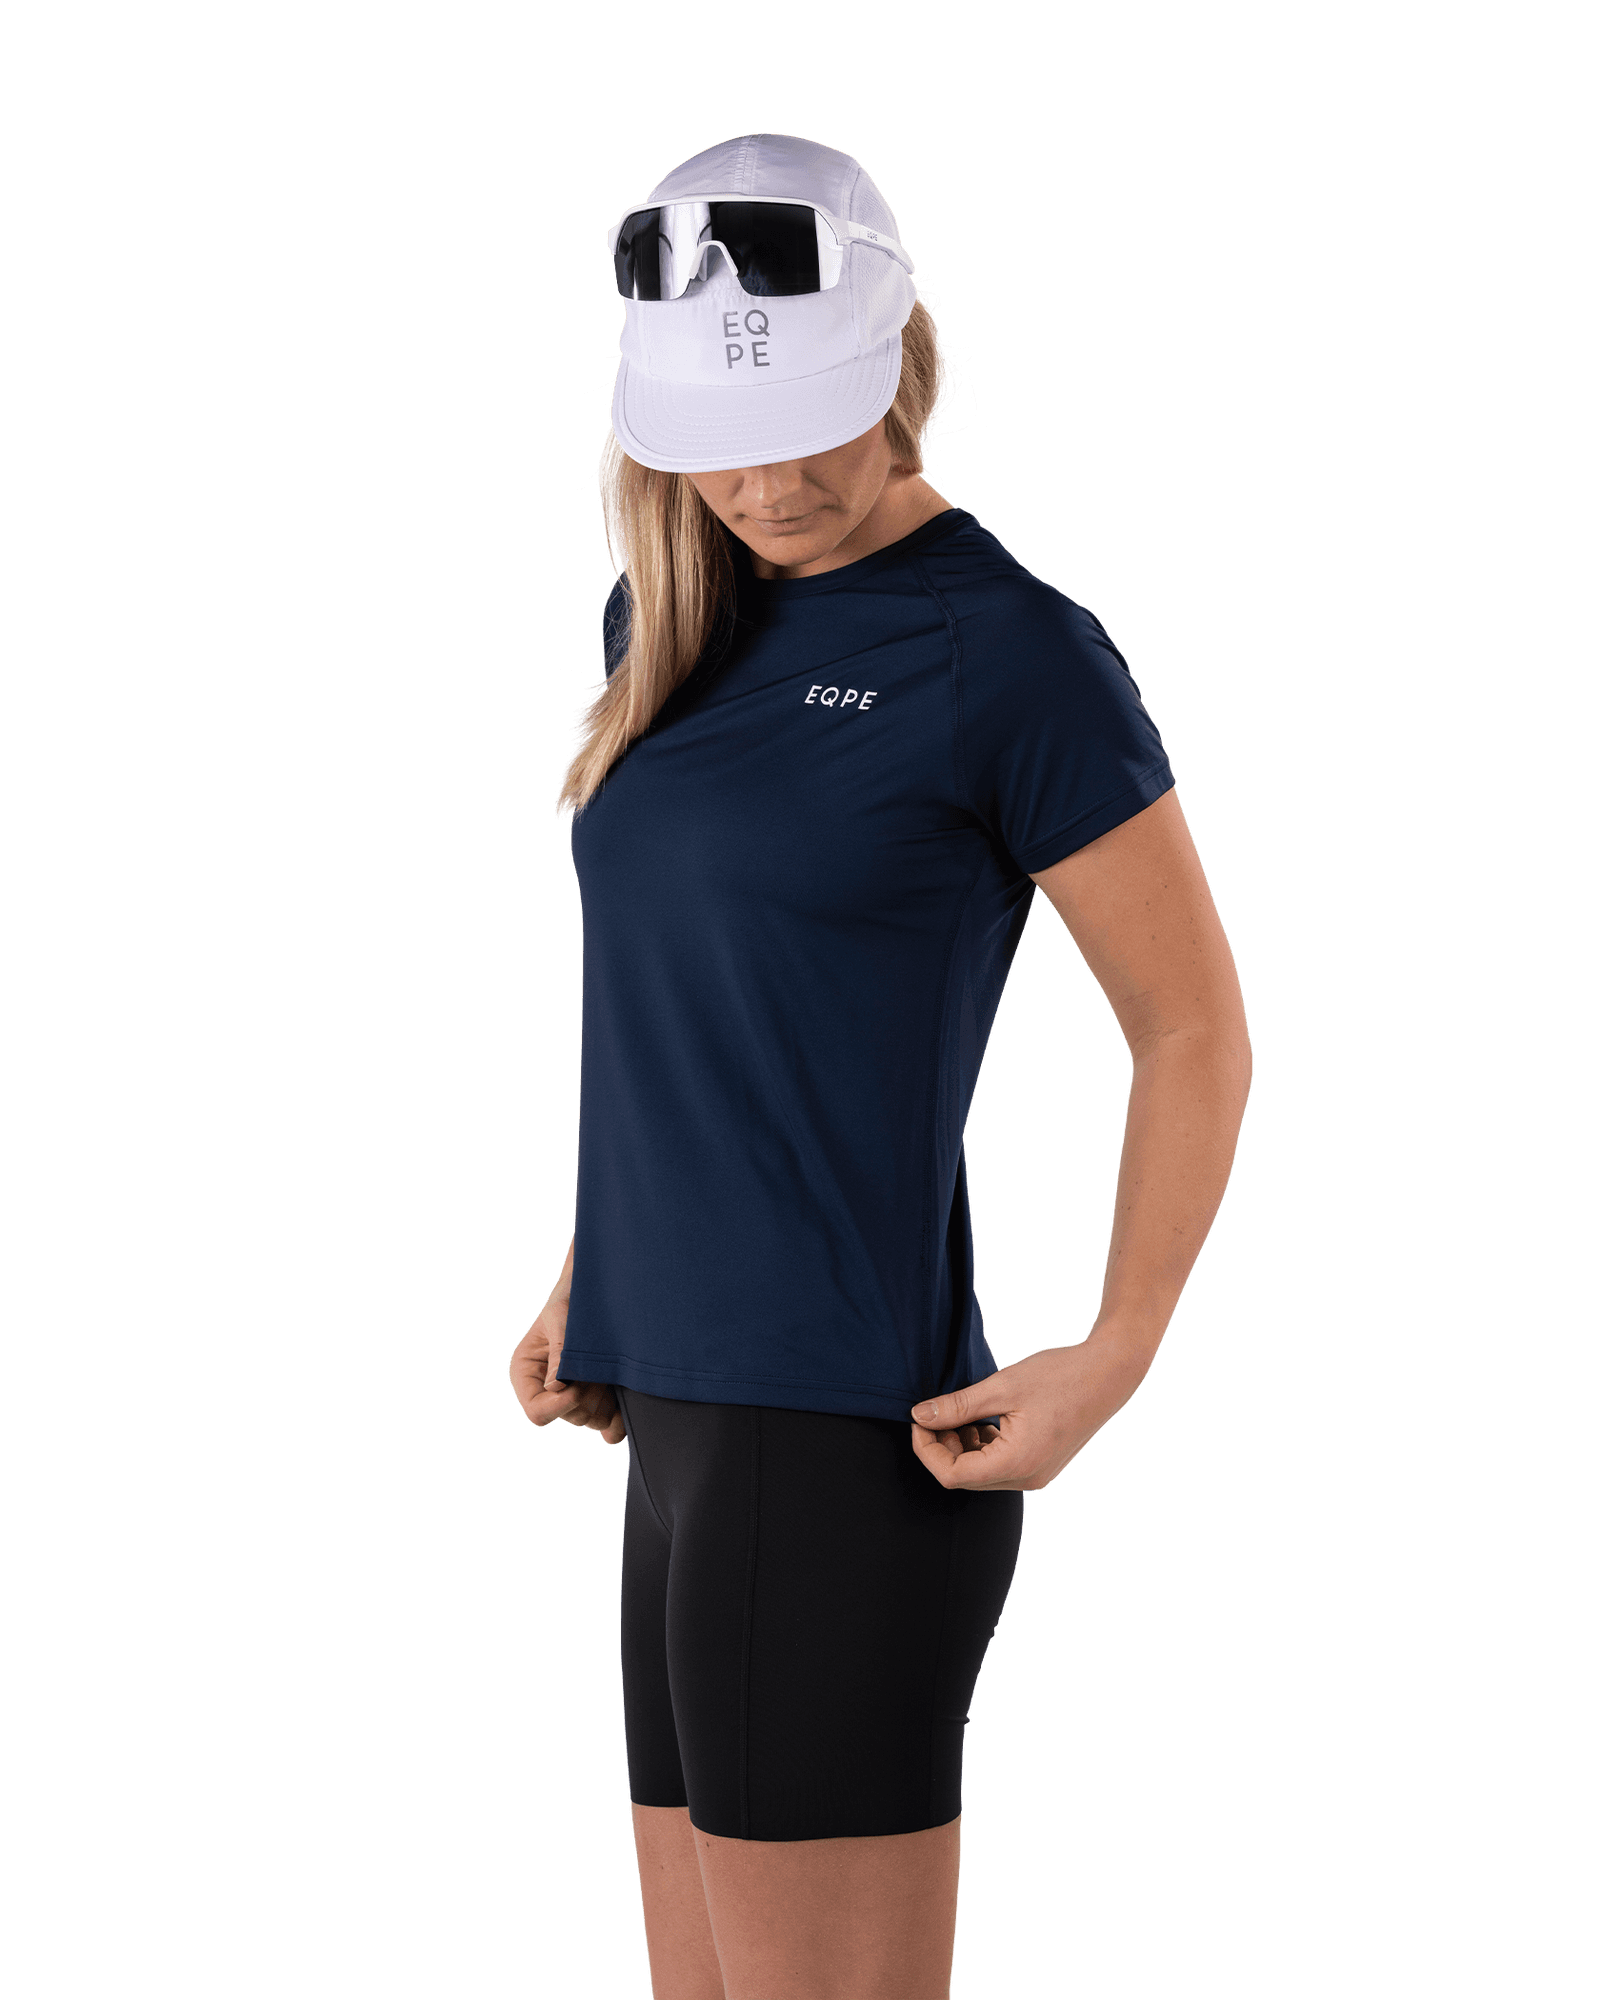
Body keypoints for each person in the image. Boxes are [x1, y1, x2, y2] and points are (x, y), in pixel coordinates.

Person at [509, 132, 1252, 2000]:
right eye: (723, 441)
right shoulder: (673, 613)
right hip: (672, 1422)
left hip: (839, 1443)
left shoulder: (1013, 657)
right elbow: (703, 988)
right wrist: (600, 1265)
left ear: (904, 356)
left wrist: (1121, 1345)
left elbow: (1191, 1025)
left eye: (811, 429)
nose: (769, 483)